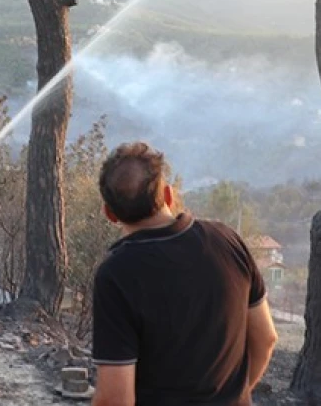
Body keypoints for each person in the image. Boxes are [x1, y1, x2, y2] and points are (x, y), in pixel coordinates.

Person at [91, 142, 277, 406]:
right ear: (168, 195)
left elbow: (114, 399)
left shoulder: (116, 274)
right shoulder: (226, 240)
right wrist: (237, 395)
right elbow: (266, 338)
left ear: (109, 213)